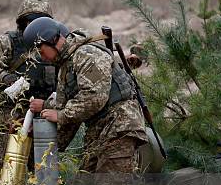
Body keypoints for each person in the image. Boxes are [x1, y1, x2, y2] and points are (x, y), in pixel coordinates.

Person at [23, 17, 147, 173]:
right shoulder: (66, 67)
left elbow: (94, 98)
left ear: (52, 39)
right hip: (100, 133)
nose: (42, 57)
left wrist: (60, 115)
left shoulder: (87, 54)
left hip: (119, 127)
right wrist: (43, 136)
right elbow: (66, 113)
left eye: (41, 51)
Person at [0, 0, 56, 164]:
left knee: (43, 169)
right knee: (6, 167)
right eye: (32, 20)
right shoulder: (8, 42)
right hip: (9, 118)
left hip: (44, 116)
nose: (36, 26)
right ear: (23, 21)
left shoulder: (54, 44)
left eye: (41, 21)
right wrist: (8, 79)